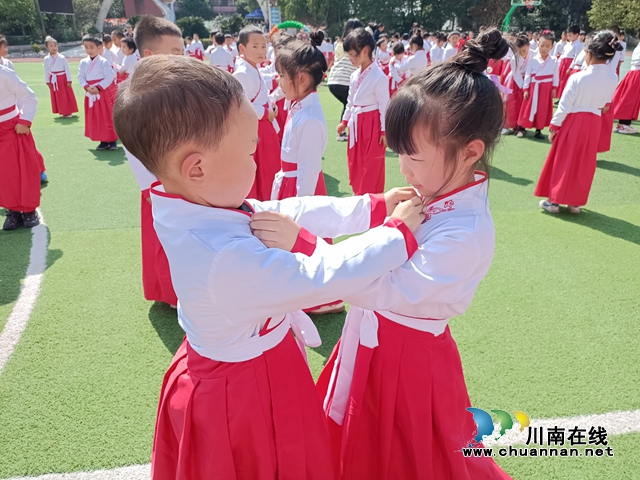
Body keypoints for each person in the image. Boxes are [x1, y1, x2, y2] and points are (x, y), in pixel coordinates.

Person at [113, 54, 425, 480]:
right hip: (240, 392)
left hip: (255, 367)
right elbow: (321, 278)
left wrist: (372, 207)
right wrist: (396, 235)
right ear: (197, 168)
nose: (257, 160)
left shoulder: (193, 203)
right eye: (249, 151)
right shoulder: (222, 256)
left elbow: (290, 210)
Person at [318, 28, 513, 480]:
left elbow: (380, 287)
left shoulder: (466, 231)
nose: (403, 170)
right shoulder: (435, 191)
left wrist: (305, 250)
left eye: (414, 157)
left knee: (413, 456)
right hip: (379, 342)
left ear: (471, 152)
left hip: (406, 361)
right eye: (399, 154)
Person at [124, 14, 184, 307]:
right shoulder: (135, 94)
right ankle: (171, 293)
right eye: (174, 52)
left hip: (181, 174)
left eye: (182, 51)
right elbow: (132, 146)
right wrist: (150, 185)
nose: (181, 58)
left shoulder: (174, 82)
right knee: (165, 235)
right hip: (158, 181)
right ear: (149, 55)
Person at [535, 30, 621, 214]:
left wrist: (554, 126)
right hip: (594, 122)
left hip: (574, 120)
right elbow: (606, 104)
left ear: (589, 54)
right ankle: (574, 203)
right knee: (584, 162)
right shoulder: (613, 77)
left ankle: (554, 201)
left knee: (564, 160)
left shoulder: (578, 77)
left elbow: (564, 106)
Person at [337, 28, 389, 195]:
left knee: (372, 162)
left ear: (365, 51)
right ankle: (358, 193)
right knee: (356, 160)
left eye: (353, 54)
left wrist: (384, 131)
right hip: (356, 124)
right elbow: (350, 101)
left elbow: (384, 106)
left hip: (373, 124)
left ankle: (371, 196)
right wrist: (345, 121)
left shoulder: (379, 77)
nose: (351, 59)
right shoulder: (354, 76)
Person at [233, 25, 281, 201]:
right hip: (255, 128)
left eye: (263, 46)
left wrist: (270, 106)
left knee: (268, 167)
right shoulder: (243, 73)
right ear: (242, 48)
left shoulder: (253, 69)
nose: (261, 50)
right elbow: (239, 106)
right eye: (255, 46)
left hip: (263, 126)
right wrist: (265, 112)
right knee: (262, 169)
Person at [0, 65, 43, 230]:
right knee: (4, 175)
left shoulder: (5, 73)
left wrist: (25, 121)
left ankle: (29, 211)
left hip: (13, 129)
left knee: (23, 170)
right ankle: (13, 211)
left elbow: (30, 97)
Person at [78, 34, 118, 151]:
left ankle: (112, 140)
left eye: (92, 47)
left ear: (99, 47)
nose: (89, 50)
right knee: (96, 117)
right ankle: (103, 140)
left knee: (107, 115)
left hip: (103, 93)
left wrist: (99, 87)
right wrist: (86, 87)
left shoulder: (103, 62)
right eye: (86, 47)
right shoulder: (83, 62)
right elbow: (80, 76)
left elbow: (109, 76)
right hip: (90, 92)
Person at [328, 19, 362, 142]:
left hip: (333, 80)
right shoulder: (355, 44)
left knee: (347, 104)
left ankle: (343, 131)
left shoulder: (339, 44)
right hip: (344, 80)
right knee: (351, 104)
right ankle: (345, 132)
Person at [518, 32, 558, 138]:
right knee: (528, 107)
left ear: (552, 47)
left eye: (547, 46)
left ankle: (538, 130)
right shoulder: (533, 59)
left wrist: (554, 87)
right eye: (542, 45)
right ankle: (521, 128)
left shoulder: (554, 60)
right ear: (538, 45)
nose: (544, 48)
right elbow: (528, 75)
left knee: (542, 109)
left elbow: (555, 75)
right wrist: (525, 89)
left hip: (546, 88)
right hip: (534, 86)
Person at [613, 28, 640, 134]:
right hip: (636, 74)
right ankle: (623, 124)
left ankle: (624, 124)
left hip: (634, 73)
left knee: (629, 98)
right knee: (629, 99)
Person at [43, 36, 78, 118]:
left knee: (65, 95)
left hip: (62, 79)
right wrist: (48, 81)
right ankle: (61, 111)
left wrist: (69, 80)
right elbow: (46, 70)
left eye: (55, 46)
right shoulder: (46, 59)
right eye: (51, 46)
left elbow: (67, 70)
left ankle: (68, 111)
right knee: (57, 96)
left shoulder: (62, 58)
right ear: (47, 48)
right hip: (53, 79)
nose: (54, 48)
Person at [505, 34, 531, 137]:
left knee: (525, 104)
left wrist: (526, 85)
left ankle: (522, 126)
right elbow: (516, 74)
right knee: (514, 104)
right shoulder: (514, 58)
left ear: (528, 46)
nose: (522, 53)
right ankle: (515, 126)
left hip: (528, 80)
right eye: (520, 51)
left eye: (524, 50)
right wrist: (522, 86)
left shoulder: (533, 54)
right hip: (516, 82)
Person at [557, 25, 582, 98]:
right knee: (561, 80)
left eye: (570, 35)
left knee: (566, 81)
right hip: (563, 63)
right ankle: (560, 96)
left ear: (576, 35)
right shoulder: (567, 44)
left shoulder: (578, 45)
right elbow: (562, 55)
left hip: (569, 64)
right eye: (568, 35)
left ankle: (565, 96)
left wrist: (571, 67)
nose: (568, 37)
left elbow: (576, 58)